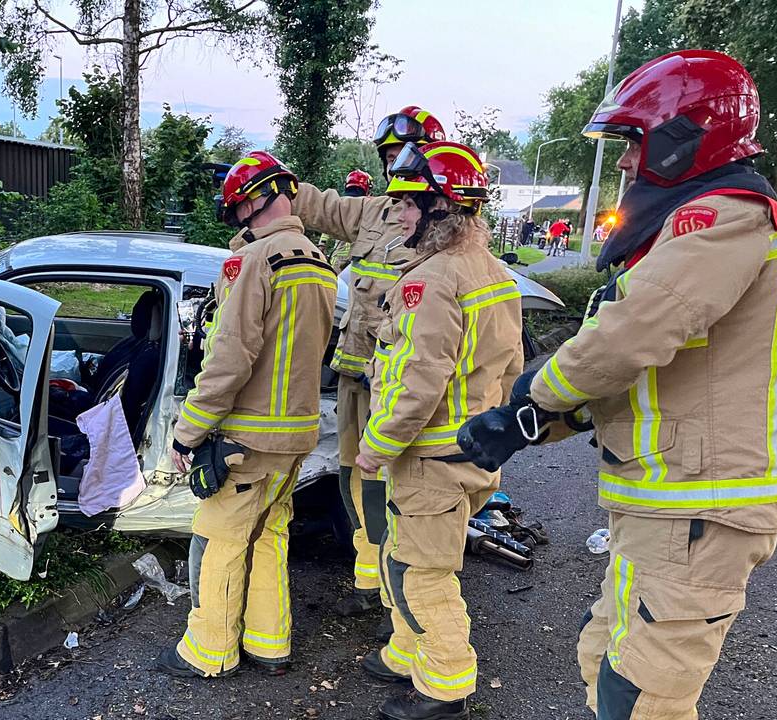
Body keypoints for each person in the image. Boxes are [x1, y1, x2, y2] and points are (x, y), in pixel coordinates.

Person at [457, 50, 777, 720]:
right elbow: (655, 365)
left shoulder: (727, 216)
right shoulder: (700, 228)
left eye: (632, 143)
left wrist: (529, 403)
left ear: (681, 139)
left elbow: (632, 332)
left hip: (696, 506)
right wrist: (547, 421)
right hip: (670, 506)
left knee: (641, 696)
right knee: (607, 663)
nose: (622, 163)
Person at [353, 140, 523, 720]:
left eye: (408, 203)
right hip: (469, 450)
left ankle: (446, 681)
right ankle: (407, 649)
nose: (397, 213)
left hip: (428, 456)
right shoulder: (494, 273)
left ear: (442, 209)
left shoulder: (433, 280)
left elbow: (416, 377)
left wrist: (376, 447)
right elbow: (512, 368)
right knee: (403, 552)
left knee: (422, 572)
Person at [158, 150, 337, 678]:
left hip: (248, 436)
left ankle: (208, 650)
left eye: (238, 211)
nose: (238, 222)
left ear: (254, 202)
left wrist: (187, 433)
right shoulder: (319, 263)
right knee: (271, 533)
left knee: (221, 539)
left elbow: (229, 357)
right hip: (298, 432)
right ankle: (269, 642)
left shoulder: (253, 263)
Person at [291, 106, 448, 628]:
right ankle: (367, 578)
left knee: (391, 491)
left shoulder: (442, 226)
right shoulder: (375, 212)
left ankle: (395, 597)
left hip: (400, 384)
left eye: (406, 154)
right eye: (388, 157)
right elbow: (323, 206)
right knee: (351, 481)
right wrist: (273, 183)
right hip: (357, 372)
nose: (395, 165)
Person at [327, 169, 376, 269]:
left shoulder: (339, 203)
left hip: (337, 260)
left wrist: (321, 244)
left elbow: (327, 223)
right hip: (357, 259)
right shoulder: (370, 204)